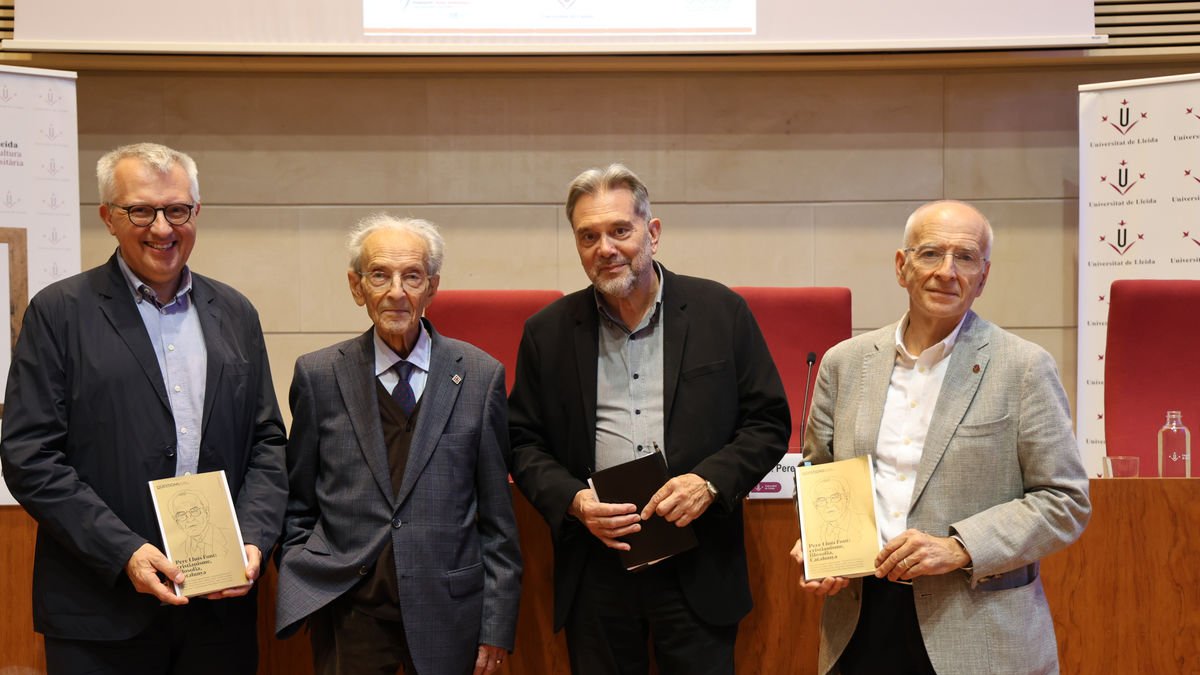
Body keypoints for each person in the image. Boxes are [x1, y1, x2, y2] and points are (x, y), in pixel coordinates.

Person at [0, 142, 287, 674]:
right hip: (100, 610)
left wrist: (253, 538)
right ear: (108, 217)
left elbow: (268, 444)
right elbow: (29, 456)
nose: (161, 228)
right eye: (140, 211)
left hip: (217, 613)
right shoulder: (59, 313)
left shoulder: (235, 313)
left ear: (196, 213)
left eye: (176, 210)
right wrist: (123, 551)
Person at [508, 164, 790, 675]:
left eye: (620, 230)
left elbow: (768, 422)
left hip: (698, 561)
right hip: (597, 566)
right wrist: (573, 501)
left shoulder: (720, 312)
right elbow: (523, 441)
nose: (605, 248)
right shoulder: (547, 333)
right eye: (588, 236)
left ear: (652, 232)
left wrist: (708, 482)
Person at [791, 200, 1091, 674]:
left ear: (983, 277)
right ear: (901, 266)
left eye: (965, 257)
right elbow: (818, 474)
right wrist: (817, 543)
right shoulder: (844, 363)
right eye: (930, 253)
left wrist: (959, 547)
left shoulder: (1024, 368)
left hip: (977, 630)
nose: (947, 272)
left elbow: (1065, 501)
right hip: (860, 624)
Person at [274, 214, 522, 675]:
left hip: (449, 613)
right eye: (379, 275)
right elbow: (298, 502)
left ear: (432, 287)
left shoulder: (480, 376)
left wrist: (496, 625)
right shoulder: (319, 376)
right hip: (348, 612)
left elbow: (497, 522)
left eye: (412, 276)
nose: (396, 292)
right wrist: (302, 571)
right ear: (356, 286)